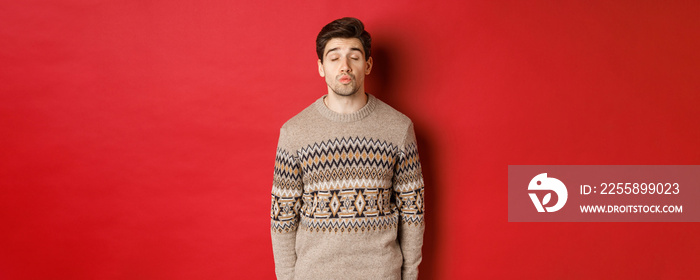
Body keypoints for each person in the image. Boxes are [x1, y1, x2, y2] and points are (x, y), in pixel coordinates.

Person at [270, 17, 425, 280]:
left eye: (354, 56)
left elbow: (413, 212)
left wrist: (409, 275)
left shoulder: (399, 128)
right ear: (321, 67)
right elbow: (282, 217)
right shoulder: (294, 132)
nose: (345, 66)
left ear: (368, 65)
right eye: (334, 58)